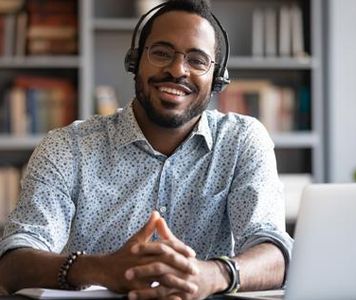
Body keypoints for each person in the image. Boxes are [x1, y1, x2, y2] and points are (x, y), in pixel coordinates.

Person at [0, 0, 293, 299]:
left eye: (197, 60)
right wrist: (102, 269)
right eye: (162, 53)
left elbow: (275, 253)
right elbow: (13, 262)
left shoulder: (241, 141)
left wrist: (213, 274)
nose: (177, 70)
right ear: (135, 62)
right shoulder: (67, 147)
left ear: (217, 79)